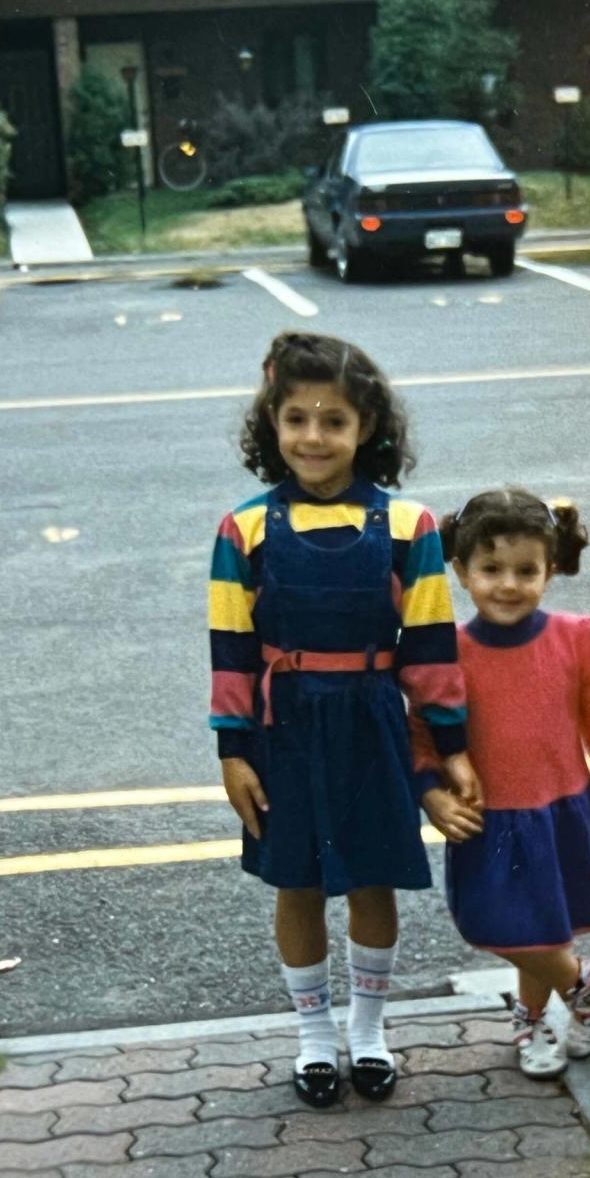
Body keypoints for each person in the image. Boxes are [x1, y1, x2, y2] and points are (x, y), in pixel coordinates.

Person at [209, 331, 480, 1109]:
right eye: (296, 418)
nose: (315, 436)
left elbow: (429, 646)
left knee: (369, 880)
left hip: (372, 723)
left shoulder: (409, 526)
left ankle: (368, 1032)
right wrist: (233, 751)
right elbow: (228, 647)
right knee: (294, 883)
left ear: (368, 429)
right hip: (283, 728)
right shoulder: (244, 529)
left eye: (335, 420)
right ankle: (314, 1038)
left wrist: (452, 746)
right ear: (273, 427)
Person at [414, 487, 590, 1079]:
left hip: (560, 813)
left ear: (550, 569)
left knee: (538, 925)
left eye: (526, 570)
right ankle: (584, 984)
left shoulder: (576, 637)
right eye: (491, 569)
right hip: (487, 820)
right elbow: (418, 733)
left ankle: (531, 1016)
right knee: (498, 925)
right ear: (461, 571)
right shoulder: (449, 652)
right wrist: (430, 793)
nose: (508, 584)